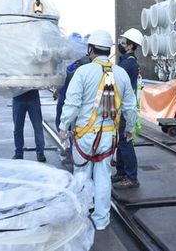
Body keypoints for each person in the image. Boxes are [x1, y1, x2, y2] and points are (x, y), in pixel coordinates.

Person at [59, 30, 137, 231]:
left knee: (82, 176)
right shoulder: (120, 73)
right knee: (103, 177)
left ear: (90, 49)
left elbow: (72, 103)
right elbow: (130, 105)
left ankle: (81, 217)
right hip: (108, 137)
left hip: (85, 135)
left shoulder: (83, 72)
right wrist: (129, 128)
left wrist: (63, 126)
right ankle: (101, 220)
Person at [113, 28, 143, 190]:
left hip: (124, 108)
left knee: (125, 143)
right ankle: (121, 171)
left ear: (130, 46)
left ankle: (131, 177)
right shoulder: (127, 61)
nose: (120, 44)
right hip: (122, 107)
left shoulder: (128, 64)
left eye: (123, 42)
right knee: (121, 142)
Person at [12, 89, 47, 162]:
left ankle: (40, 152)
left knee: (38, 127)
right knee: (18, 128)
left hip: (33, 98)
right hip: (18, 99)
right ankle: (19, 152)